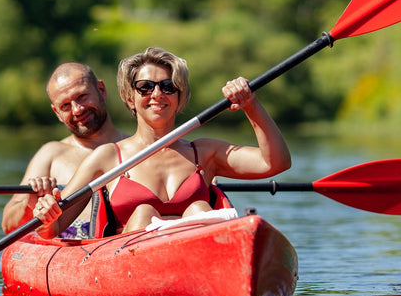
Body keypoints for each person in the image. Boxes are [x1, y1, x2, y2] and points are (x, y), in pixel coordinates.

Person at [32, 46, 291, 237]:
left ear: (180, 97)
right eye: (145, 87)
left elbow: (276, 162)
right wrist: (46, 212)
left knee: (199, 209)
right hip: (131, 264)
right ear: (130, 97)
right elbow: (53, 227)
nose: (157, 94)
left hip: (200, 261)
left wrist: (250, 104)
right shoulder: (107, 157)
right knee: (144, 212)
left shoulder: (205, 153)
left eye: (168, 86)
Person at [1, 62, 125, 237]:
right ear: (57, 113)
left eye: (82, 96)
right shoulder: (51, 154)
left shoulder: (139, 149)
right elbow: (8, 225)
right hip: (70, 252)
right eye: (65, 106)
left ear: (101, 90)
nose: (77, 109)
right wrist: (31, 205)